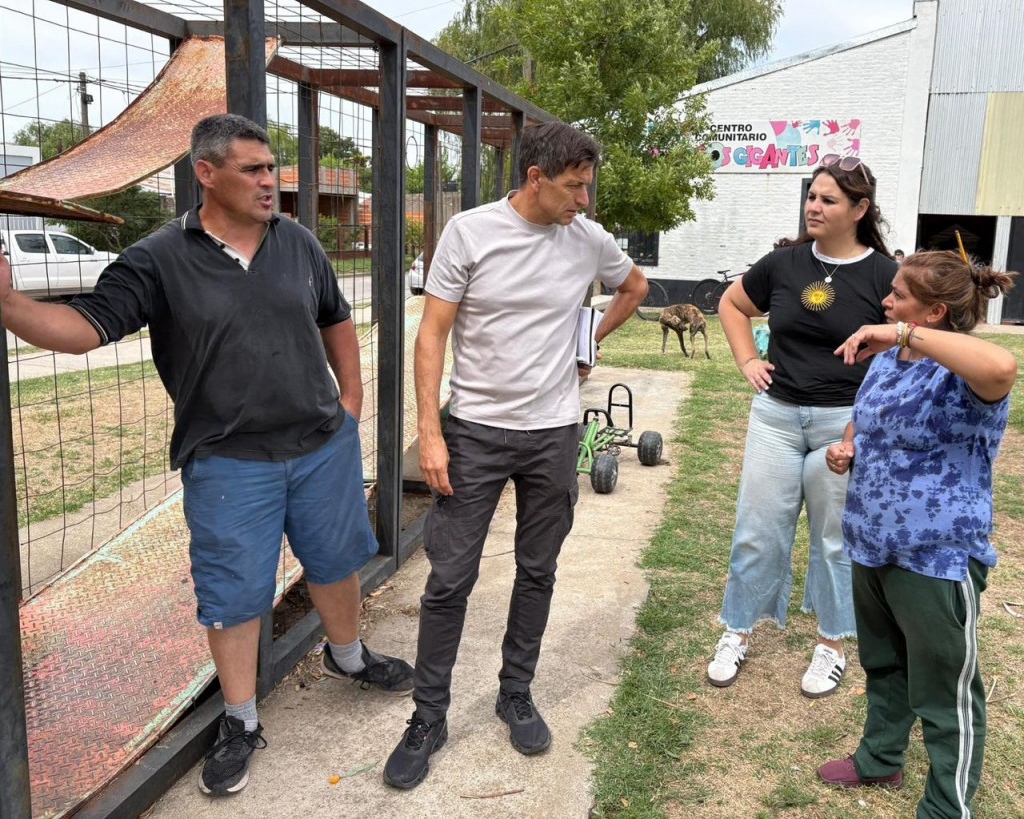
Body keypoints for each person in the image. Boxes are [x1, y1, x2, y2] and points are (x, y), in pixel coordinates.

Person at [0, 114, 413, 797]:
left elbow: (335, 317)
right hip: (228, 463)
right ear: (206, 173)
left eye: (271, 167)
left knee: (338, 560)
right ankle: (242, 721)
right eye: (252, 169)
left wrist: (352, 403)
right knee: (234, 595)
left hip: (320, 447)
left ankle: (349, 656)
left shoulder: (299, 243)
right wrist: (10, 304)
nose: (268, 181)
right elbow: (83, 329)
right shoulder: (158, 259)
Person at [383, 121, 648, 789]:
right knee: (449, 578)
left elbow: (635, 286)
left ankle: (516, 691)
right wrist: (431, 432)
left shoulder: (587, 241)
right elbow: (432, 334)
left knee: (538, 569)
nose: (584, 201)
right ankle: (428, 715)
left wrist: (588, 344)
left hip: (554, 432)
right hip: (475, 431)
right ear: (536, 178)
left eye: (588, 186)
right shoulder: (471, 233)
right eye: (574, 187)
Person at [819, 251, 1016, 818]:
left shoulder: (964, 372)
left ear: (933, 312)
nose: (886, 301)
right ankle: (881, 758)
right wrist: (848, 446)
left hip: (936, 557)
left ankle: (947, 806)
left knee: (944, 690)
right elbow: (867, 415)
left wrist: (901, 331)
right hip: (872, 542)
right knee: (884, 664)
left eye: (899, 295)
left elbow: (1002, 368)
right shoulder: (890, 357)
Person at [707, 155, 898, 698]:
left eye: (828, 200)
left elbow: (907, 343)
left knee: (835, 539)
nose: (814, 207)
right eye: (812, 197)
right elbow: (732, 303)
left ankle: (832, 644)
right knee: (757, 528)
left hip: (844, 424)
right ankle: (737, 631)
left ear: (859, 209)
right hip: (777, 417)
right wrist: (747, 360)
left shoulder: (885, 277)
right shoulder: (784, 263)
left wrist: (867, 423)